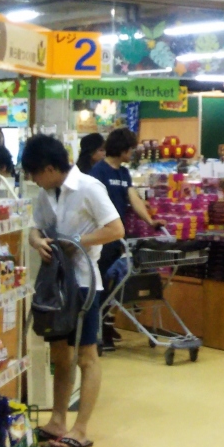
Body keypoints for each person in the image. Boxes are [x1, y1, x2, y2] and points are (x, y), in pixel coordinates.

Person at [22, 134, 124, 447]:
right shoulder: (46, 193)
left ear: (49, 169)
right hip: (55, 285)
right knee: (60, 355)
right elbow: (36, 227)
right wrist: (36, 241)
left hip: (83, 283)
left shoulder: (89, 188)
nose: (33, 181)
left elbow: (116, 229)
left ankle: (80, 429)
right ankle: (57, 421)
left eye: (35, 174)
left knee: (86, 356)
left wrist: (78, 241)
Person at [88, 128, 163, 350]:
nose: (132, 153)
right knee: (101, 284)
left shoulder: (123, 173)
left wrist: (150, 221)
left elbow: (133, 198)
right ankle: (97, 332)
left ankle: (107, 327)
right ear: (122, 149)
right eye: (131, 149)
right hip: (101, 237)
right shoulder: (98, 172)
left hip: (118, 237)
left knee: (116, 284)